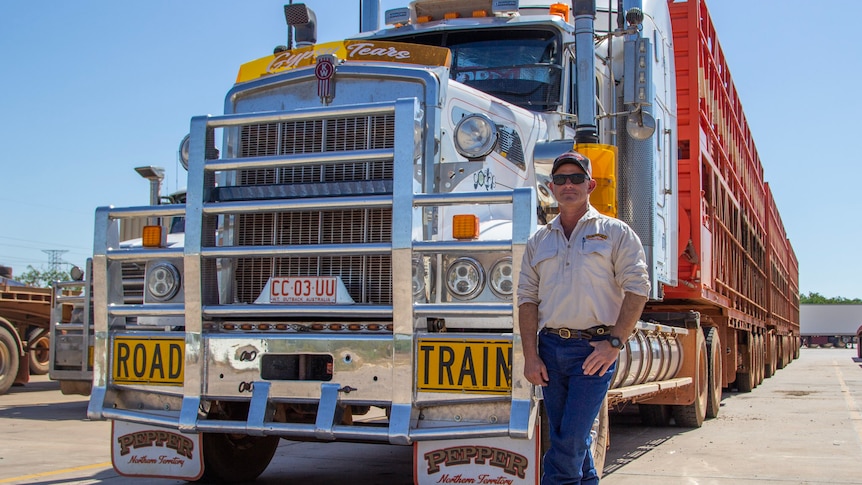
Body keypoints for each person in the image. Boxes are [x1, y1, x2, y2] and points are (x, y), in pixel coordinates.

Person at [517, 151, 651, 484]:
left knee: (566, 446)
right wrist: (531, 356)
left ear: (590, 185)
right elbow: (527, 300)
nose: (568, 185)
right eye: (560, 179)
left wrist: (614, 344)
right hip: (550, 351)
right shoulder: (538, 241)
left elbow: (637, 290)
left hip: (593, 353)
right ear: (550, 187)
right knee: (574, 444)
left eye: (576, 178)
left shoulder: (616, 233)